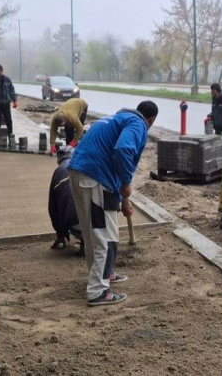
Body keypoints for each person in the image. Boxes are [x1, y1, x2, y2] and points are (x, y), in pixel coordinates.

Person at [68, 101, 159, 306]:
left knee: (93, 233)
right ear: (151, 120)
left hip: (78, 173)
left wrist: (123, 199)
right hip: (95, 178)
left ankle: (104, 274)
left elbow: (113, 158)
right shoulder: (138, 124)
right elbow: (123, 150)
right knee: (104, 237)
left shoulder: (116, 119)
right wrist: (127, 182)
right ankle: (98, 291)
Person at [48, 146, 83, 250]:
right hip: (99, 223)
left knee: (73, 217)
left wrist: (60, 234)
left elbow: (53, 209)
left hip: (77, 223)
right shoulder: (83, 165)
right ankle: (90, 241)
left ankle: (85, 243)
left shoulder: (58, 171)